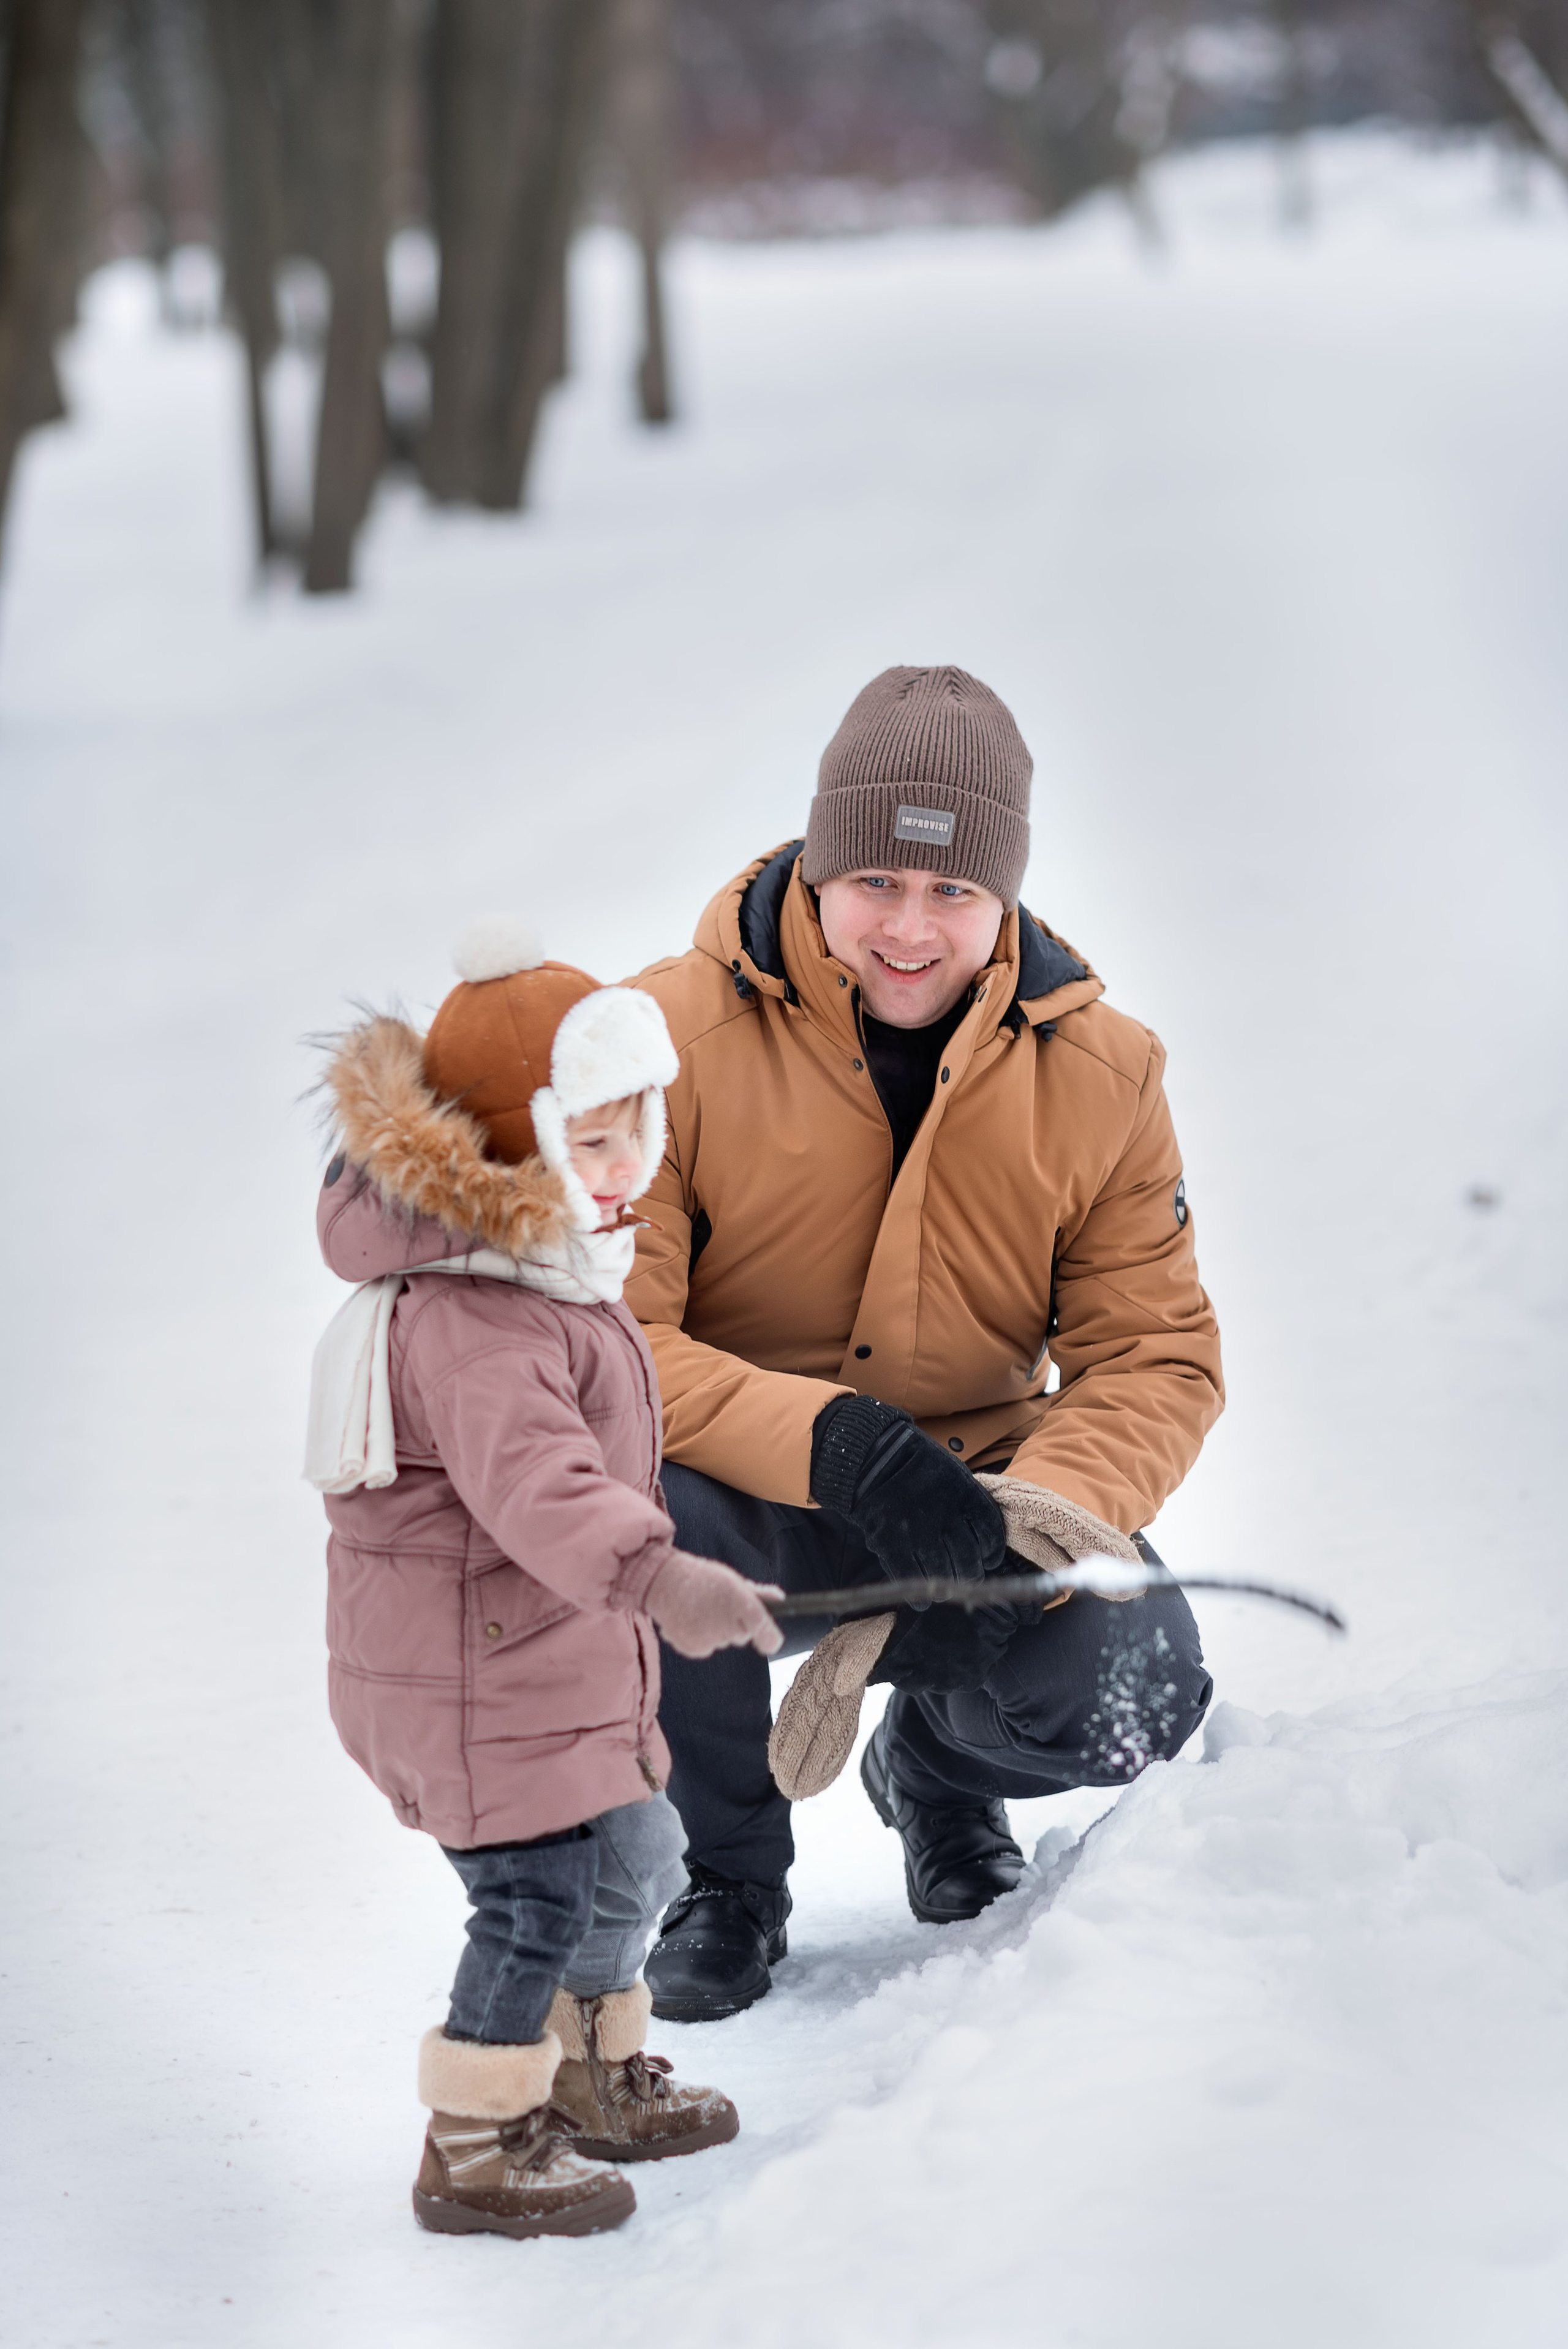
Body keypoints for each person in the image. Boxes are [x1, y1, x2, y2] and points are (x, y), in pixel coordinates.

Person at [626, 665, 1225, 2022]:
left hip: (974, 1495)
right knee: (626, 1523)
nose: (910, 928)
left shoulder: (1103, 1074)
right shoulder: (660, 1038)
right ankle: (724, 1877)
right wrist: (827, 1444)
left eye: (952, 891)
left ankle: (937, 1773)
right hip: (743, 1485)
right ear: (818, 865)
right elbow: (606, 1343)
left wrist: (1046, 1510)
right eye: (877, 884)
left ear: (1003, 895)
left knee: (1141, 1690)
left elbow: (1154, 1356)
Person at [306, 923, 782, 2237]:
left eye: (639, 1127)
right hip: (466, 1674)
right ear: (512, 1144)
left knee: (638, 1852)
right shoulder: (472, 1311)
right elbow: (540, 1490)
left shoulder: (552, 1270)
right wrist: (665, 1579)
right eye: (590, 1138)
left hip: (539, 1655)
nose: (627, 1164)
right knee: (534, 1899)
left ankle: (582, 2076)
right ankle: (475, 2139)